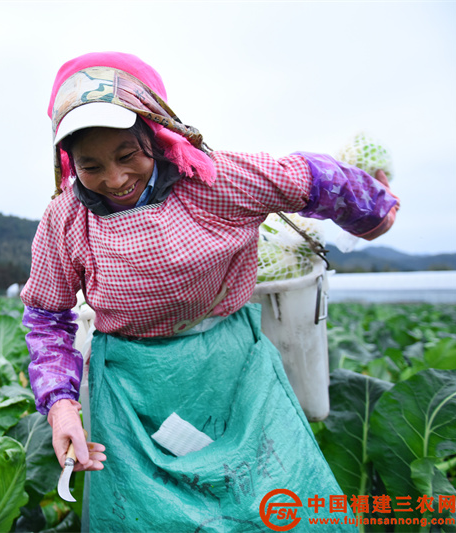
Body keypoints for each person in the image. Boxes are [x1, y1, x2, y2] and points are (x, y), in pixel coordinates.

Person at [20, 52, 399, 532]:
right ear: (69, 164)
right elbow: (47, 318)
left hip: (234, 370)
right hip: (133, 388)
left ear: (154, 137)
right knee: (145, 519)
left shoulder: (212, 180)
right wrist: (60, 406)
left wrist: (376, 211)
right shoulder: (67, 219)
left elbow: (310, 177)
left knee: (282, 503)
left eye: (126, 155)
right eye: (91, 165)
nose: (115, 180)